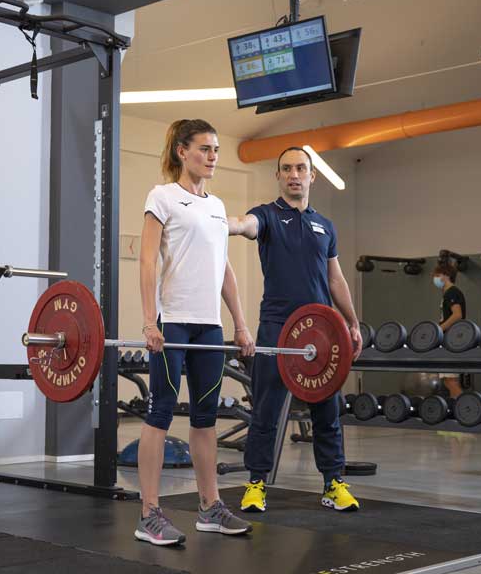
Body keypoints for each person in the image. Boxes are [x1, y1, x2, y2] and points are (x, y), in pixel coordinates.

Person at [136, 119, 254, 546]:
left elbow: (225, 271)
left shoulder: (217, 206)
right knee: (160, 414)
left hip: (209, 327)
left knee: (206, 418)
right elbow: (147, 260)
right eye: (205, 148)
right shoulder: (162, 197)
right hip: (173, 322)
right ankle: (149, 514)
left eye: (216, 149)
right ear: (182, 151)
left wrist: (240, 324)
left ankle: (210, 507)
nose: (213, 156)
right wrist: (149, 320)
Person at [229, 147, 363, 514]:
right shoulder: (267, 216)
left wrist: (351, 322)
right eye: (286, 168)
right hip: (277, 327)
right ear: (278, 175)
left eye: (300, 168)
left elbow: (335, 278)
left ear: (311, 176)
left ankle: (333, 483)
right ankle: (256, 483)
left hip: (321, 331)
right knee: (266, 410)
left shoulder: (326, 226)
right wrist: (219, 222)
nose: (294, 174)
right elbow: (244, 224)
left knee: (327, 411)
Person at [433, 262, 466, 398]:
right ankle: (457, 407)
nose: (435, 278)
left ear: (446, 275)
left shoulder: (452, 292)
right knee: (448, 380)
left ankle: (463, 407)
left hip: (453, 340)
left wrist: (439, 329)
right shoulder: (446, 293)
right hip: (448, 339)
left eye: (437, 275)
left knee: (451, 380)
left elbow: (458, 315)